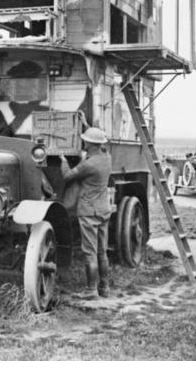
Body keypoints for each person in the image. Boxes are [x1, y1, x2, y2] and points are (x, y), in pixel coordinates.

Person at [60, 127, 112, 299]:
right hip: (103, 209)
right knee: (102, 251)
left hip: (89, 211)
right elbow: (101, 145)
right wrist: (86, 124)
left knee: (90, 252)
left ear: (89, 144)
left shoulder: (88, 164)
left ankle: (91, 291)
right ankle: (104, 287)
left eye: (85, 140)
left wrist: (62, 159)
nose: (83, 142)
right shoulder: (106, 158)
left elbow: (67, 176)